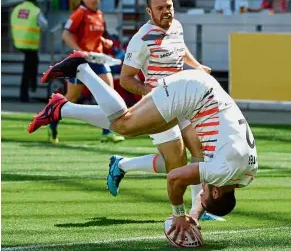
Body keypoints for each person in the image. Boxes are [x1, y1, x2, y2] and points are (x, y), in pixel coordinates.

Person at [27, 50, 258, 241]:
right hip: (191, 93)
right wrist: (178, 214)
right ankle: (81, 69)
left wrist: (194, 216)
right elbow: (174, 178)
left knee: (138, 130)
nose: (202, 190)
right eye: (206, 192)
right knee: (124, 124)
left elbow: (204, 178)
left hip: (204, 96)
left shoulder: (246, 176)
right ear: (217, 191)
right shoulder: (221, 172)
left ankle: (61, 108)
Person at [106, 0, 220, 221]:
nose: (166, 11)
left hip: (183, 100)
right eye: (160, 8)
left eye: (169, 6)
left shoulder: (177, 26)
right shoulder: (142, 38)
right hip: (157, 106)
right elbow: (125, 79)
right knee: (176, 163)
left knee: (200, 150)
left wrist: (196, 66)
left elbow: (181, 49)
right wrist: (151, 93)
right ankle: (123, 165)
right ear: (149, 11)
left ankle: (200, 208)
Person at [47, 0, 124, 143]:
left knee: (109, 94)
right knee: (72, 98)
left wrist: (105, 42)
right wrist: (79, 51)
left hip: (97, 59)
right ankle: (52, 124)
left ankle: (106, 133)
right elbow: (66, 35)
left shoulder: (100, 14)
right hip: (80, 62)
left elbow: (98, 35)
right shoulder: (80, 13)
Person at [10, 0, 48, 102]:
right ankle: (26, 93)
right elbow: (44, 25)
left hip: (18, 43)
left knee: (32, 64)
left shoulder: (17, 9)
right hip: (30, 44)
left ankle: (32, 86)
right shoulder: (35, 10)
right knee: (29, 68)